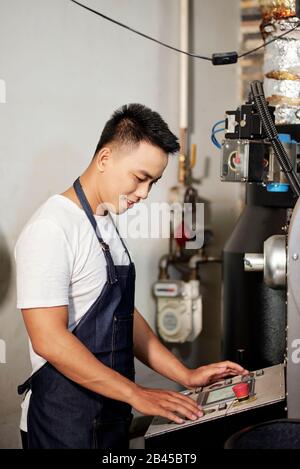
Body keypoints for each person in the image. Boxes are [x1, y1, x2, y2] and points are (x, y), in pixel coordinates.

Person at [15, 103, 247, 449]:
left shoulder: (104, 223)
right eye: (140, 178)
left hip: (110, 416)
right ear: (105, 159)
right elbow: (48, 339)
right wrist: (136, 394)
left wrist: (184, 374)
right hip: (63, 423)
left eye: (152, 182)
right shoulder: (52, 228)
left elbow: (122, 314)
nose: (144, 194)